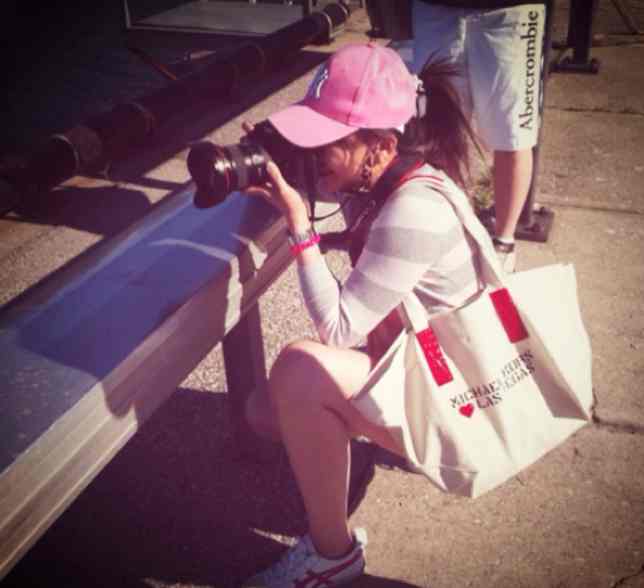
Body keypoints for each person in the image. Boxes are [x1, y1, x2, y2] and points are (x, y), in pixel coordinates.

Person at [241, 42, 488, 587]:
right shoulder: (385, 176)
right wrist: (274, 147)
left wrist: (300, 225)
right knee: (263, 412)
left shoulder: (413, 211)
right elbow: (354, 223)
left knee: (299, 373)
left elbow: (336, 329)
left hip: (464, 406)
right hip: (431, 367)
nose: (311, 156)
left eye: (323, 142)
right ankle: (349, 440)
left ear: (379, 146)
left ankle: (333, 556)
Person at [407, 0, 547, 272]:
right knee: (436, 133)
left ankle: (504, 243)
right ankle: (445, 235)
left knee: (512, 134)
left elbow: (515, 139)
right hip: (434, 10)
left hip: (509, 12)